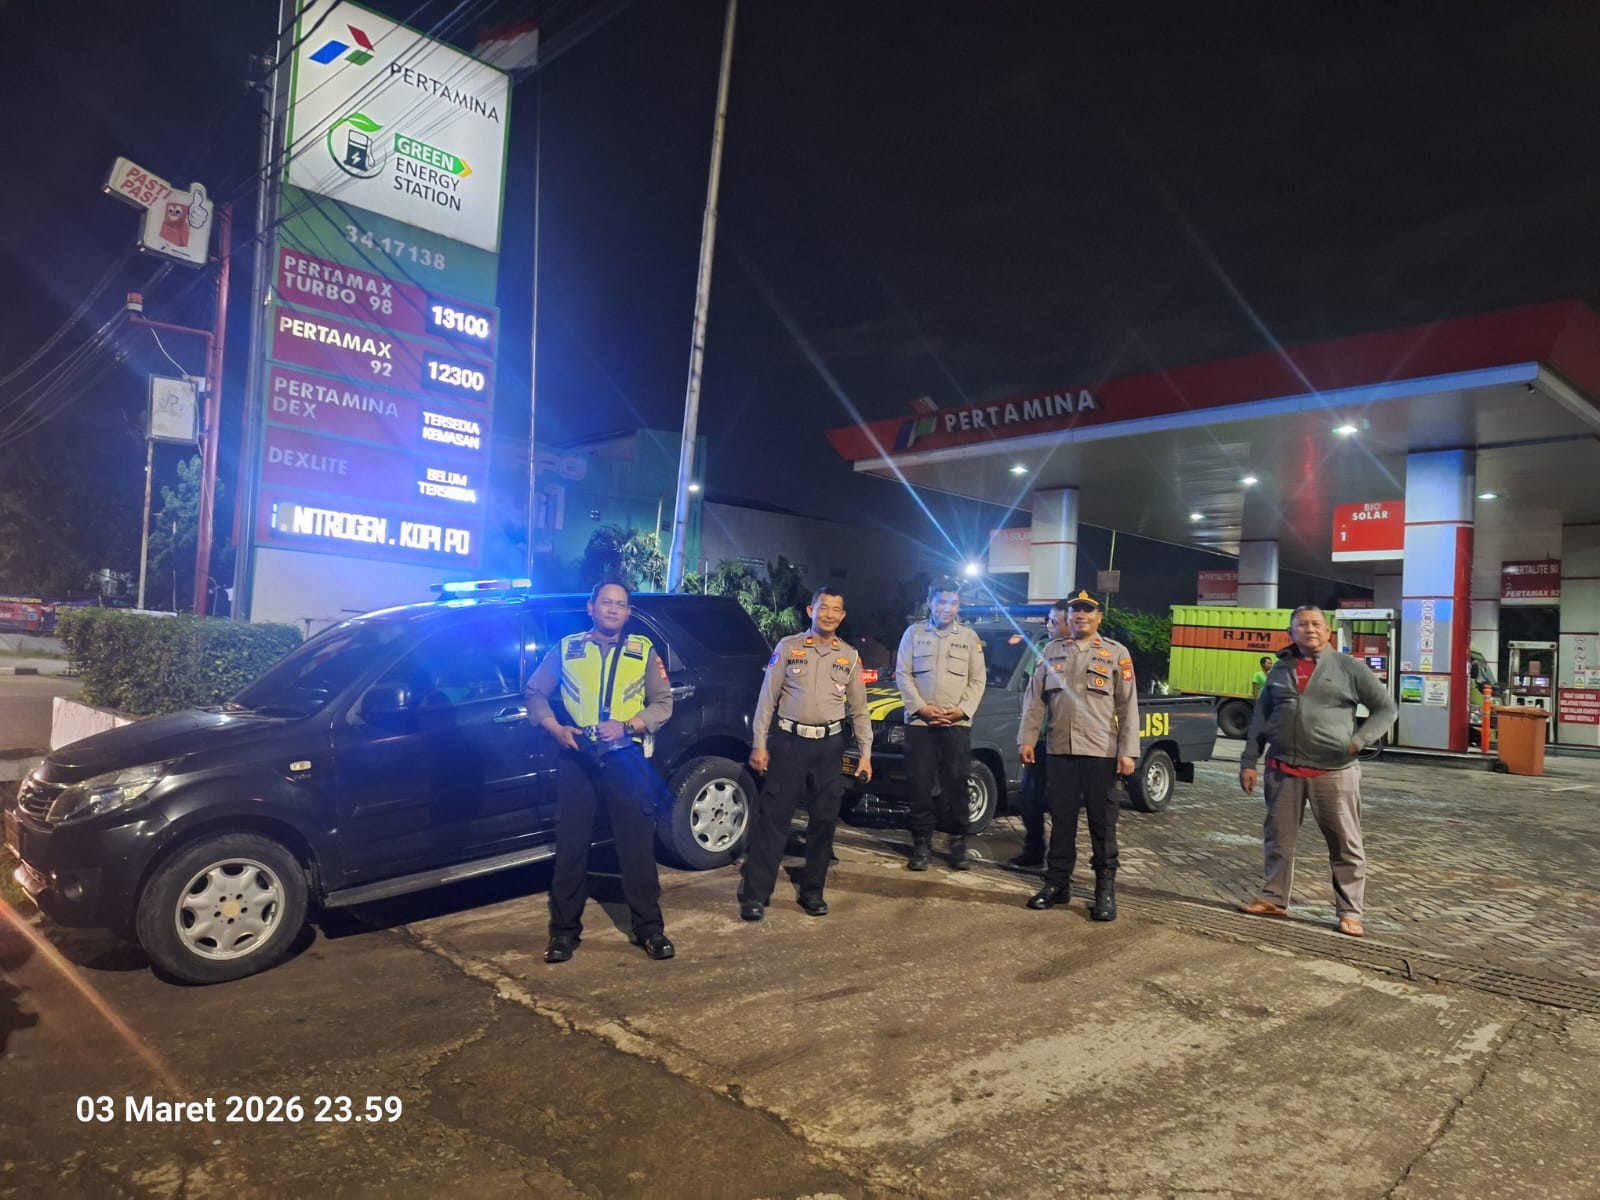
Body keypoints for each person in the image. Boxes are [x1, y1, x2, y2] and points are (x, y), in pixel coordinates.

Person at [526, 581, 676, 964]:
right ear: (590, 607)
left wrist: (630, 725)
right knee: (571, 850)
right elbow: (535, 694)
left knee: (637, 849)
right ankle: (563, 935)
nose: (613, 609)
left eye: (621, 604)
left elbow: (663, 704)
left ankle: (650, 930)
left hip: (625, 758)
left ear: (628, 612)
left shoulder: (642, 651)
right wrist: (555, 729)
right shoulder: (568, 648)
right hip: (578, 761)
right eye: (606, 602)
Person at [1238, 605, 1397, 937]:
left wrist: (1361, 739)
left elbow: (1385, 707)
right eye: (1302, 625)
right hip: (1282, 770)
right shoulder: (1279, 669)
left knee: (1344, 844)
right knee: (1278, 839)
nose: (1310, 629)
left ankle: (1350, 911)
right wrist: (1248, 761)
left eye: (1316, 624)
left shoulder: (1348, 667)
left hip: (1334, 772)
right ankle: (1274, 898)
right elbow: (1261, 718)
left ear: (1328, 631)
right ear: (1290, 633)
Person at [738, 587, 873, 921]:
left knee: (824, 821)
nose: (828, 614)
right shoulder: (789, 647)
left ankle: (813, 892)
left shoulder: (850, 655)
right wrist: (759, 743)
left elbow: (859, 709)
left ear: (842, 616)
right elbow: (766, 699)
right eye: (823, 607)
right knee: (774, 819)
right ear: (810, 610)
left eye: (835, 610)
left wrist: (866, 753)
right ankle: (756, 894)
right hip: (789, 743)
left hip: (830, 747)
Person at [1016, 591, 1138, 921]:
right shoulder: (1050, 651)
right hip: (1059, 750)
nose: (1081, 615)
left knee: (1102, 823)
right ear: (1067, 617)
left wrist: (1128, 751)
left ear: (1099, 616)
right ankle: (1057, 885)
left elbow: (1128, 706)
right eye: (1075, 610)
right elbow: (1035, 700)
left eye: (1088, 610)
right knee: (1061, 821)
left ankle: (1104, 891)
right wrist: (1027, 738)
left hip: (1101, 752)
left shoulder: (1115, 653)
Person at [896, 579, 988, 870]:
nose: (947, 608)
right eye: (941, 602)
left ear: (959, 605)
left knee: (957, 784)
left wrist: (961, 711)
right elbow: (903, 674)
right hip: (920, 725)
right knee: (920, 785)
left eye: (953, 603)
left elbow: (977, 680)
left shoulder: (969, 637)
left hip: (956, 724)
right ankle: (921, 844)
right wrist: (921, 709)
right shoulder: (913, 633)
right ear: (930, 601)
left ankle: (957, 842)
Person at [1009, 604, 1069, 869]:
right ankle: (1034, 851)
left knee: (1060, 805)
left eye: (1054, 622)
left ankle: (1059, 864)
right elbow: (1032, 694)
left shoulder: (1085, 652)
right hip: (1041, 741)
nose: (1048, 625)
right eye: (1048, 620)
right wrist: (1028, 738)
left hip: (1065, 743)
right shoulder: (1044, 649)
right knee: (1030, 800)